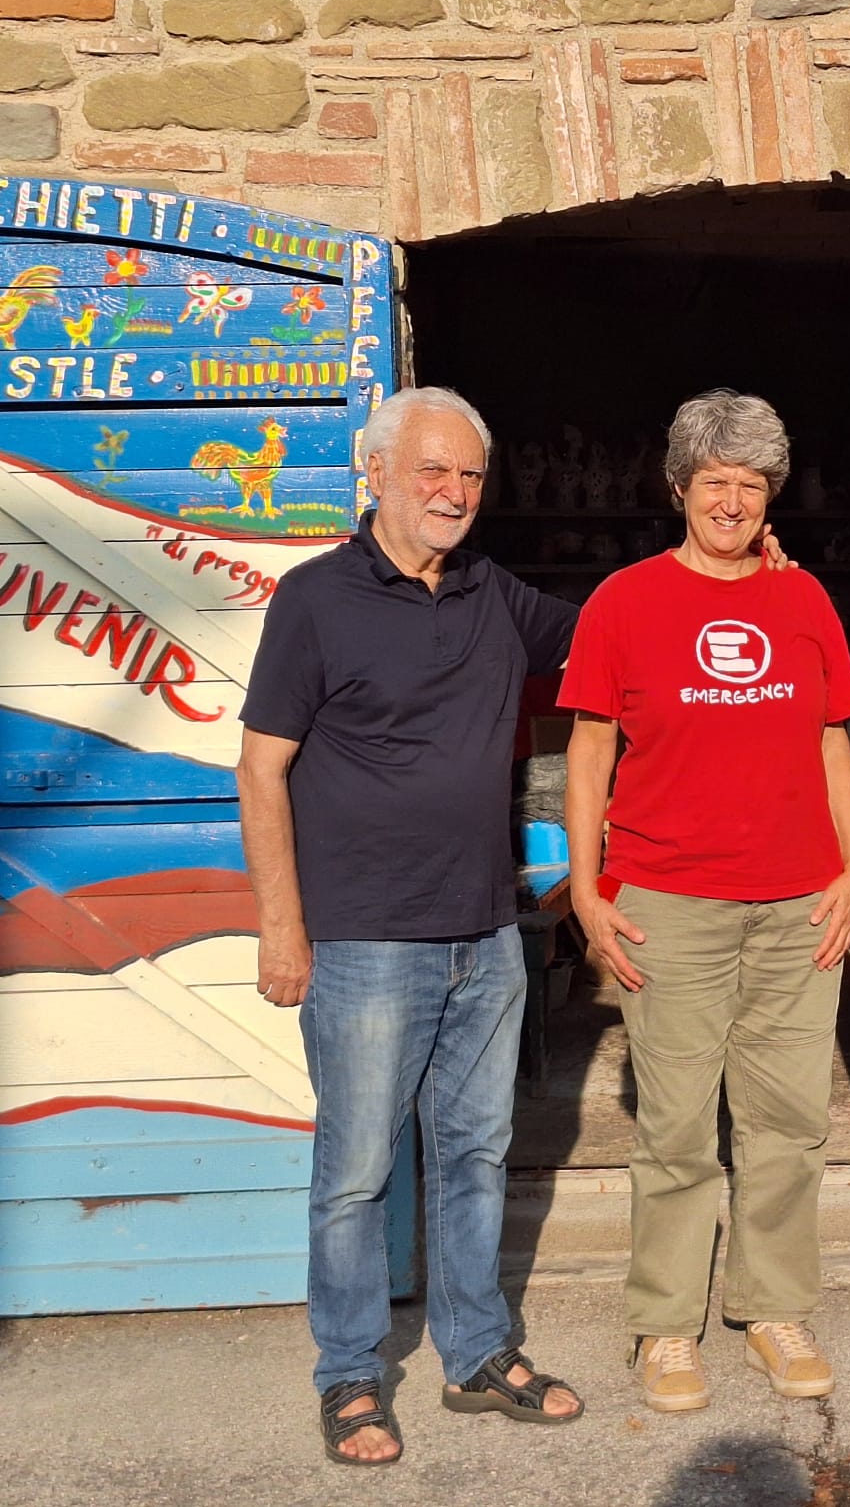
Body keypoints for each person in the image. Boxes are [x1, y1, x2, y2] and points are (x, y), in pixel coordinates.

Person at [237, 385, 589, 1463]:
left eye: (470, 474)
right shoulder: (314, 600)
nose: (454, 492)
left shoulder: (493, 593)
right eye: (433, 469)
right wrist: (282, 929)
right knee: (355, 1172)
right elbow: (261, 769)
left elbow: (618, 632)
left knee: (476, 1154)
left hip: (484, 932)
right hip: (362, 941)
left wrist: (731, 573)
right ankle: (349, 1375)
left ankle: (475, 1351)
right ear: (377, 471)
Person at [561, 390, 850, 1415]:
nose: (731, 502)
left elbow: (832, 737)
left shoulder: (804, 599)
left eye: (750, 485)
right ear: (679, 487)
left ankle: (775, 1309)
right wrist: (587, 889)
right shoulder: (623, 602)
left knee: (788, 1122)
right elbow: (590, 750)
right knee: (677, 1129)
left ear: (770, 495)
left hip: (798, 903)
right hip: (670, 901)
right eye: (713, 483)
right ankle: (665, 1325)